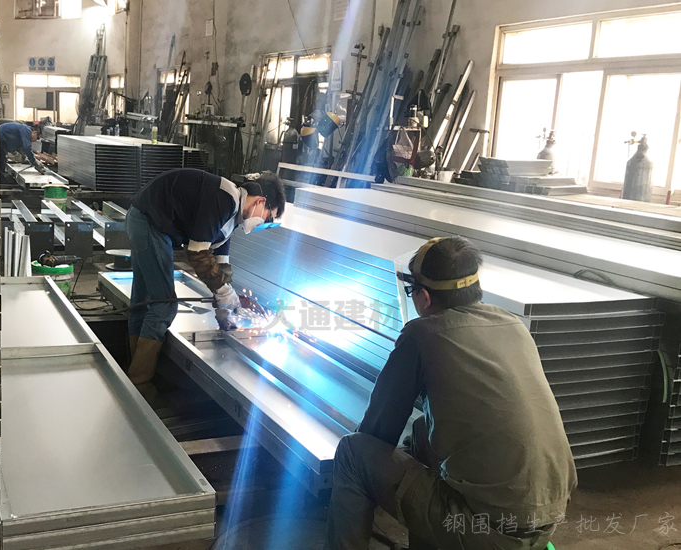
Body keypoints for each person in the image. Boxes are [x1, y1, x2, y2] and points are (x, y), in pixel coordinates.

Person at [324, 236, 576, 550]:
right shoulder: (512, 325)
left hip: (485, 529)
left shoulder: (422, 334)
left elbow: (377, 432)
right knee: (422, 432)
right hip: (546, 519)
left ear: (425, 297)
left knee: (352, 453)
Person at [125, 169, 286, 388]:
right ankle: (139, 383)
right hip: (149, 224)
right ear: (260, 201)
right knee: (164, 305)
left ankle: (133, 368)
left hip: (143, 220)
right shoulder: (224, 198)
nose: (262, 223)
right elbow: (197, 253)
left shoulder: (232, 218)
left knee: (143, 300)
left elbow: (220, 267)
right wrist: (225, 293)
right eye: (267, 218)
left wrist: (225, 313)